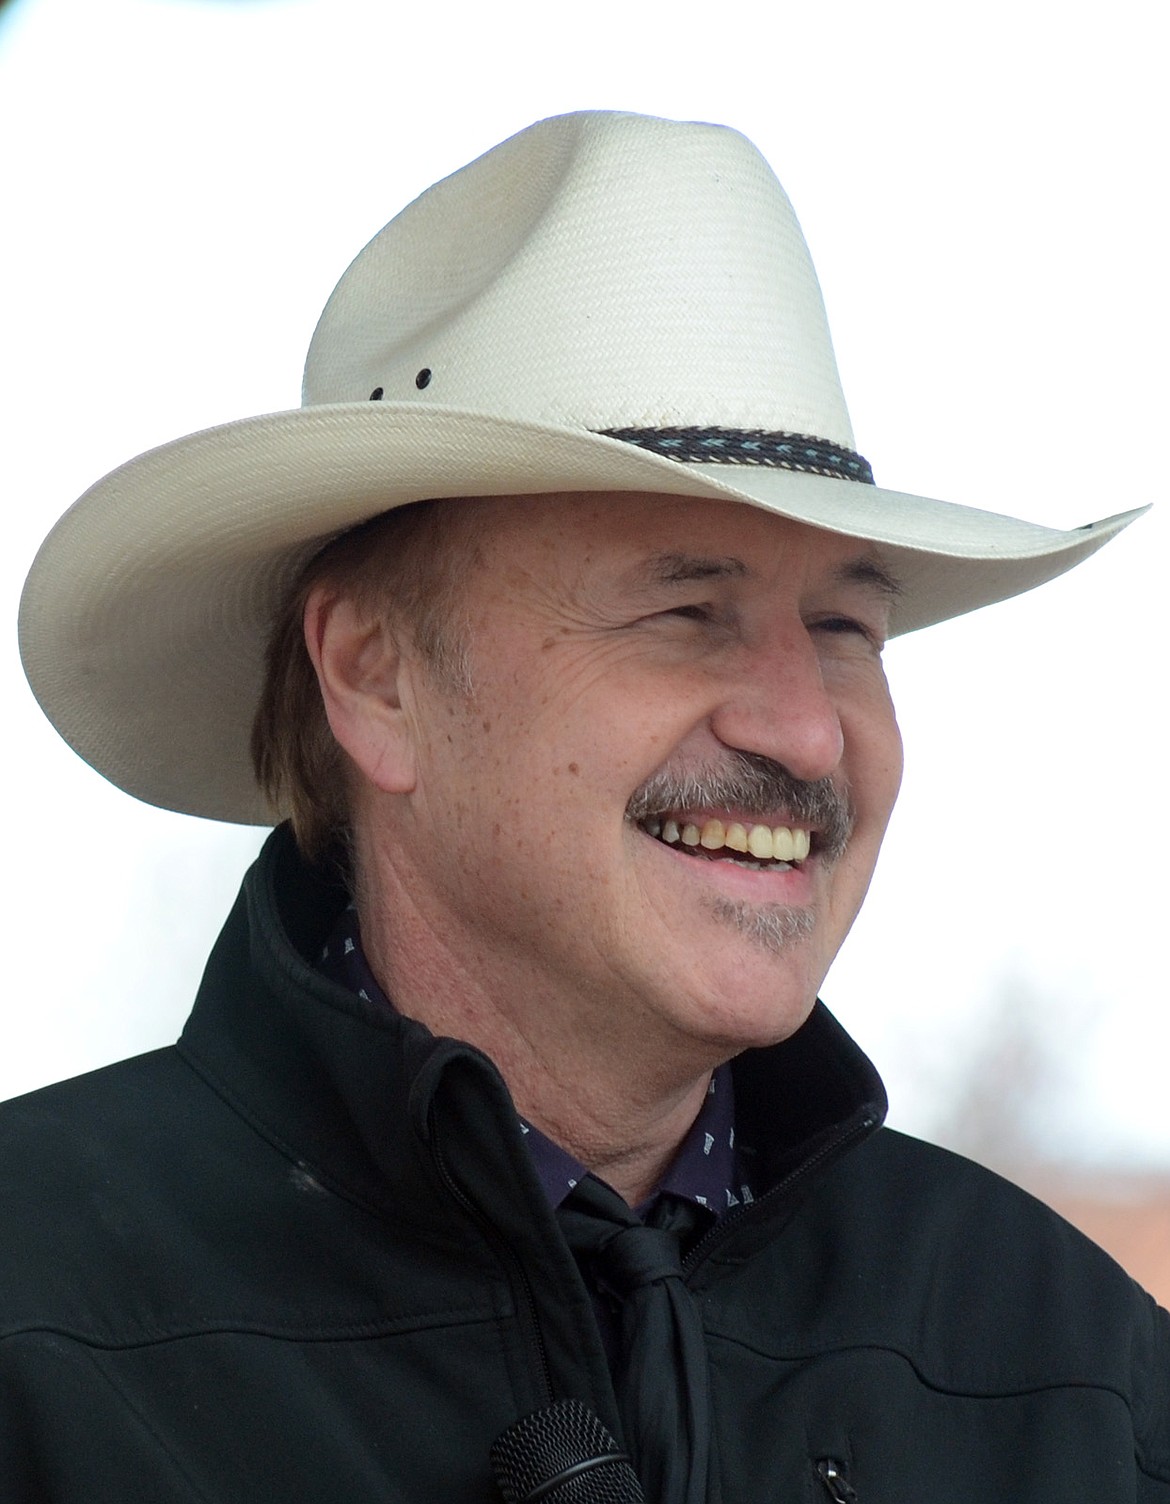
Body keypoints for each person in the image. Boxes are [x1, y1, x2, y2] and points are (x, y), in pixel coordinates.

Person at [6, 110, 1166, 1503]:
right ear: (374, 679)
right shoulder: (40, 1330)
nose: (802, 728)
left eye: (845, 628)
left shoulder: (1065, 1366)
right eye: (685, 610)